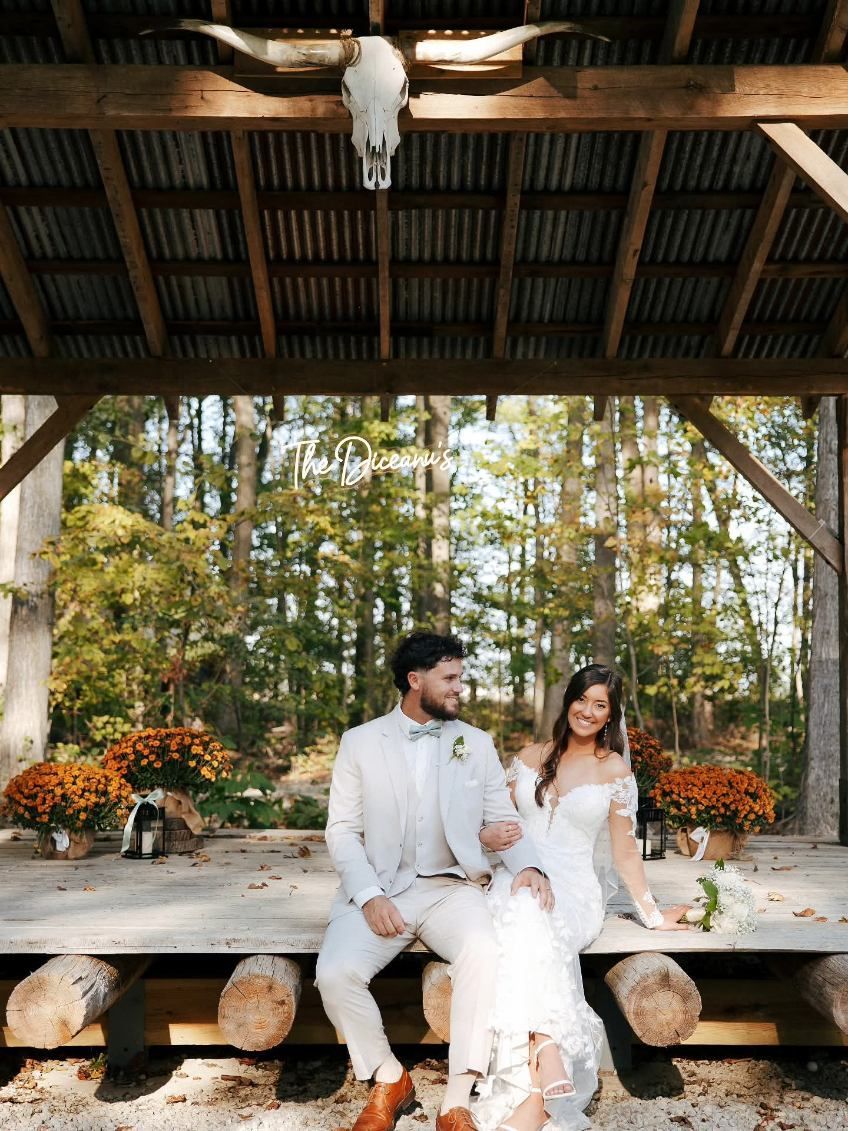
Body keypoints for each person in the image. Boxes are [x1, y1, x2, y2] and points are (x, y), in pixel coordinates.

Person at [315, 631, 552, 1131]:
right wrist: (369, 895)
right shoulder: (359, 743)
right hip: (381, 890)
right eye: (449, 679)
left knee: (483, 952)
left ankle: (457, 1099)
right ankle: (388, 1077)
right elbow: (341, 830)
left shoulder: (475, 742)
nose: (458, 689)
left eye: (460, 678)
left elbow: (502, 818)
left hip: (451, 889)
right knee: (334, 974)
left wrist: (529, 865)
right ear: (414, 680)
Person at [472, 663, 690, 1131]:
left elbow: (625, 850)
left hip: (572, 890)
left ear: (610, 716)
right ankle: (542, 1058)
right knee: (523, 906)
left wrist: (652, 916)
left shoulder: (613, 769)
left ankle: (542, 1049)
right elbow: (494, 823)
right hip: (518, 877)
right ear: (568, 700)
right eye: (582, 699)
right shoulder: (530, 757)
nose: (588, 712)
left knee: (531, 912)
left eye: (600, 705)